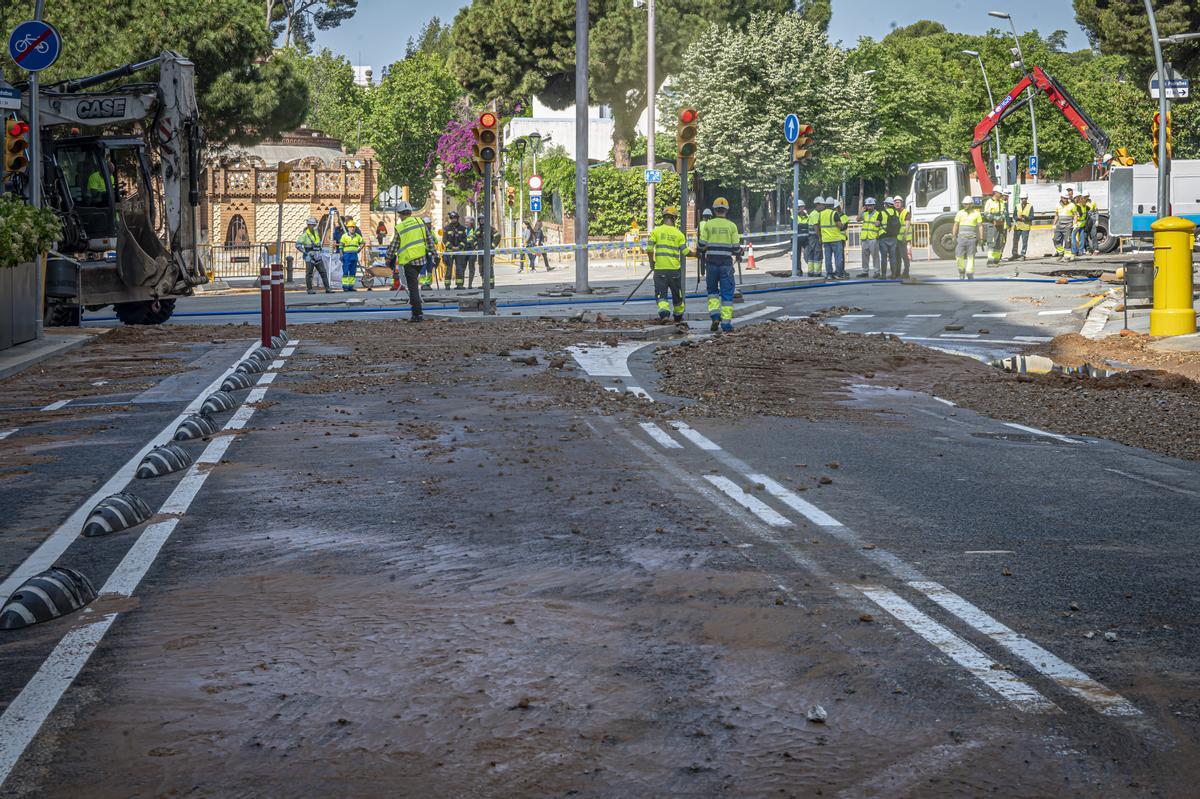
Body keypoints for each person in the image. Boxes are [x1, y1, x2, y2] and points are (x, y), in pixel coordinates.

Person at [387, 201, 438, 322]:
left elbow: (393, 246)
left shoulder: (400, 227)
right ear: (410, 212)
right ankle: (417, 312)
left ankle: (417, 314)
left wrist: (388, 259)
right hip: (421, 260)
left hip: (409, 261)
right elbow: (429, 240)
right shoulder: (420, 222)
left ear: (400, 215)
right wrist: (435, 254)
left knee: (413, 288)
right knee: (415, 286)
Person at [698, 197, 742, 332]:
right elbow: (736, 248)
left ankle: (715, 316)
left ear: (715, 210)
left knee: (712, 292)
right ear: (726, 210)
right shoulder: (732, 226)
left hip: (711, 263)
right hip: (726, 265)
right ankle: (726, 324)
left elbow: (701, 245)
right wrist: (740, 252)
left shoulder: (708, 225)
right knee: (727, 294)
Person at [647, 205, 688, 327]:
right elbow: (685, 252)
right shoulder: (679, 234)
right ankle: (678, 317)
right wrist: (697, 253)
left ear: (663, 217)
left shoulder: (656, 231)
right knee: (677, 294)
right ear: (674, 218)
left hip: (660, 270)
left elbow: (649, 249)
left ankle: (664, 315)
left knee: (661, 294)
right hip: (675, 270)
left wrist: (651, 262)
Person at [296, 216, 332, 294]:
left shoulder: (316, 233)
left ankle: (327, 288)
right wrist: (305, 252)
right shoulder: (304, 235)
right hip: (310, 256)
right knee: (309, 273)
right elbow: (298, 245)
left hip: (317, 255)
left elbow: (318, 243)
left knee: (323, 272)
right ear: (308, 225)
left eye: (314, 225)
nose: (313, 226)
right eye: (311, 225)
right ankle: (309, 289)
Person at [952, 195, 984, 280]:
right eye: (965, 204)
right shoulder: (960, 213)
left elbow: (980, 226)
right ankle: (961, 272)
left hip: (971, 239)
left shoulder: (976, 213)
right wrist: (954, 236)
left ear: (971, 204)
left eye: (968, 204)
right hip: (961, 238)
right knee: (959, 256)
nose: (966, 206)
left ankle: (970, 273)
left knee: (971, 256)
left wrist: (981, 238)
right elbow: (956, 224)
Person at [818, 196, 848, 279]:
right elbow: (839, 225)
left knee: (828, 258)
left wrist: (820, 237)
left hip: (826, 240)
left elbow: (818, 226)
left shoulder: (821, 214)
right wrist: (842, 226)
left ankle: (829, 274)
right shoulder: (834, 213)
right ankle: (838, 274)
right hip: (835, 238)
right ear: (833, 205)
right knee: (838, 258)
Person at [877, 196, 903, 279]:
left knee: (884, 257)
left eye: (884, 204)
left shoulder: (882, 213)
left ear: (886, 204)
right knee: (893, 257)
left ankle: (883, 275)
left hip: (883, 237)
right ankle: (893, 275)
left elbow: (877, 224)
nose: (884, 205)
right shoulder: (896, 213)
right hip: (894, 237)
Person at [982, 188, 1008, 266]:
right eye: (1000, 193)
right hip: (992, 225)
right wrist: (994, 218)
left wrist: (1002, 217)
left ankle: (996, 261)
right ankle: (990, 261)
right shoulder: (989, 202)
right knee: (992, 242)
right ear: (996, 193)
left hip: (1000, 225)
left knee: (998, 242)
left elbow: (1004, 212)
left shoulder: (1002, 202)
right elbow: (986, 213)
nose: (1001, 195)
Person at [338, 217, 363, 291]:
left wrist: (359, 249)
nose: (352, 228)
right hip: (346, 255)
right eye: (351, 227)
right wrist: (341, 255)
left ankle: (351, 286)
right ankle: (345, 286)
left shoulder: (358, 236)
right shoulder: (344, 236)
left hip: (354, 255)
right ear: (348, 228)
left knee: (353, 271)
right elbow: (340, 246)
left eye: (353, 227)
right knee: (346, 271)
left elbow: (363, 243)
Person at [858, 197, 881, 278]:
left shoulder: (878, 214)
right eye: (868, 205)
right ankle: (865, 271)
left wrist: (879, 235)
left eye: (871, 205)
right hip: (865, 238)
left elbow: (881, 225)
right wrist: (862, 211)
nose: (869, 207)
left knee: (875, 256)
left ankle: (877, 271)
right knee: (864, 256)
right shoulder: (865, 213)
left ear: (874, 205)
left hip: (873, 238)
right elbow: (857, 219)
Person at [892, 196, 912, 279]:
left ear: (902, 203)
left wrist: (905, 236)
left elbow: (907, 225)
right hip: (897, 238)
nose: (897, 204)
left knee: (905, 256)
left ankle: (906, 272)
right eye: (895, 202)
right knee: (897, 256)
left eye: (898, 202)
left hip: (904, 238)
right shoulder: (894, 212)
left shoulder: (905, 212)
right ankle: (897, 273)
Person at [1010, 193, 1033, 261]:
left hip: (1025, 227)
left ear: (1027, 199)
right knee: (1015, 241)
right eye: (1022, 199)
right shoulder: (1017, 206)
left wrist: (1026, 217)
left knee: (1024, 242)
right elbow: (1014, 216)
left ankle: (1023, 254)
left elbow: (1032, 217)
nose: (1023, 200)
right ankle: (1014, 254)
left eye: (1025, 198)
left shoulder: (1030, 206)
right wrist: (1018, 218)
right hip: (1017, 227)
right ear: (1020, 199)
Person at [806, 198, 825, 276]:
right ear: (818, 205)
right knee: (817, 253)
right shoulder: (816, 214)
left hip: (811, 237)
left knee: (811, 254)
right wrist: (820, 237)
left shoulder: (812, 213)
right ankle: (817, 272)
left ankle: (810, 271)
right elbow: (816, 226)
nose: (824, 206)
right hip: (815, 237)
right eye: (822, 205)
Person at [1052, 193, 1074, 261]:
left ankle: (1067, 257)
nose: (1065, 199)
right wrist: (1054, 224)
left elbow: (1075, 215)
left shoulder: (1072, 205)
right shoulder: (1057, 205)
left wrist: (1075, 223)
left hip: (1068, 225)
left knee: (1067, 241)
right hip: (1059, 225)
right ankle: (1061, 252)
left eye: (1067, 198)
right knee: (1055, 239)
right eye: (1064, 198)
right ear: (1061, 198)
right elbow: (1056, 215)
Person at [1071, 194, 1088, 259]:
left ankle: (1074, 251)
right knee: (1082, 237)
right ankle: (1081, 250)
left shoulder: (1078, 206)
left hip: (1078, 223)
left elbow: (1077, 215)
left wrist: (1074, 223)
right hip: (1083, 223)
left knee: (1073, 236)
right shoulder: (1084, 206)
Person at [698, 208, 713, 277]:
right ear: (709, 216)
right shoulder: (710, 224)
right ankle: (710, 273)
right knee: (710, 259)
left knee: (702, 260)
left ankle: (702, 274)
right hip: (709, 244)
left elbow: (698, 233)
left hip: (702, 244)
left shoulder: (700, 224)